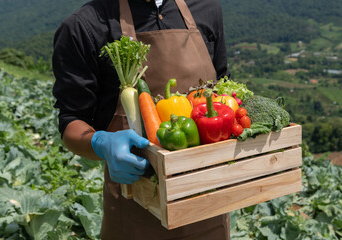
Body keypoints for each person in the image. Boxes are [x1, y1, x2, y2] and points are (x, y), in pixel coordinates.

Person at [52, 0, 230, 239]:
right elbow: (71, 121)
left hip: (209, 204)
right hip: (136, 208)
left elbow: (223, 88)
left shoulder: (206, 8)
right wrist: (101, 143)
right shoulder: (84, 26)